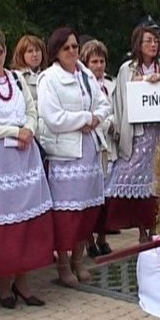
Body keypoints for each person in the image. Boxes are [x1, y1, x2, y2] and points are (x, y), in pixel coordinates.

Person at [0, 28, 54, 309]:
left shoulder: (17, 78)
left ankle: (23, 282)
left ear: (5, 51)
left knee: (25, 222)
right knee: (3, 226)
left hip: (25, 161)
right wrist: (14, 131)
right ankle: (3, 283)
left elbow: (32, 110)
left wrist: (28, 128)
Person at [37, 27, 110, 287]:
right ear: (56, 51)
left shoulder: (86, 74)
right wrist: (85, 119)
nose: (72, 51)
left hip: (89, 149)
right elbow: (52, 117)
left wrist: (97, 118)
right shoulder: (49, 78)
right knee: (67, 214)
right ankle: (63, 263)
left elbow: (103, 103)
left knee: (87, 211)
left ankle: (79, 259)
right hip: (66, 154)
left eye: (75, 46)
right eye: (66, 47)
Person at [105, 25, 160, 242]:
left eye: (156, 41)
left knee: (159, 178)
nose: (153, 45)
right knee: (130, 174)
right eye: (148, 41)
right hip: (137, 133)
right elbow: (121, 97)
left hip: (159, 131)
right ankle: (140, 228)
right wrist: (143, 82)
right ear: (139, 44)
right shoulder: (127, 69)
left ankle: (156, 227)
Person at [80, 39, 115, 257]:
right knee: (89, 193)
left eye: (102, 61)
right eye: (94, 61)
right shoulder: (82, 85)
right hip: (93, 138)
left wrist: (112, 122)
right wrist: (103, 121)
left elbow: (118, 107)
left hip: (110, 142)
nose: (99, 65)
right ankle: (88, 239)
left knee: (107, 196)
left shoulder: (111, 83)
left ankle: (103, 236)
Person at [10, 35, 48, 105]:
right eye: (30, 51)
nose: (35, 54)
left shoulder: (49, 74)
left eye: (37, 50)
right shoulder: (15, 77)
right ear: (22, 55)